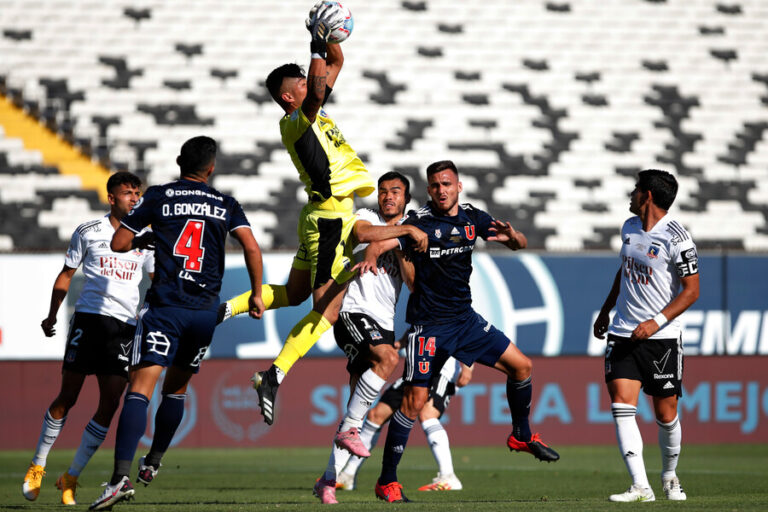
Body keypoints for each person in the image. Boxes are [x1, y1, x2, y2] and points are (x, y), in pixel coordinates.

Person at [224, 4, 426, 427]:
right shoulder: (298, 121)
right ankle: (273, 375)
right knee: (326, 307)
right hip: (331, 219)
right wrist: (316, 39)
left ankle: (224, 310)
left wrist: (326, 39)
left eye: (305, 75)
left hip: (322, 214)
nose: (309, 80)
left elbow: (336, 61)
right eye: (299, 80)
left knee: (296, 293)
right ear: (288, 97)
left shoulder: (311, 112)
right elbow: (318, 87)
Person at [360, 160, 560, 503]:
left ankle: (521, 435)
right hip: (428, 328)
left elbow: (519, 243)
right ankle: (387, 481)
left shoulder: (472, 217)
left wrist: (513, 237)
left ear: (458, 186)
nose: (441, 190)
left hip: (465, 321)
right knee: (413, 402)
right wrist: (375, 252)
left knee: (522, 367)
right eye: (435, 185)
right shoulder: (417, 221)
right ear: (429, 189)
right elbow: (375, 239)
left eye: (447, 184)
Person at [88, 136, 266, 510]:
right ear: (212, 168)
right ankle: (154, 460)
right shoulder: (226, 203)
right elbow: (251, 247)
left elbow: (119, 244)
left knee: (140, 389)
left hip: (167, 307)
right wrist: (255, 294)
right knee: (177, 390)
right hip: (204, 314)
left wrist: (149, 238)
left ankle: (119, 479)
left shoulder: (158, 197)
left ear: (178, 162)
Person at [22, 172, 154, 506]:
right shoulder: (88, 231)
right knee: (68, 396)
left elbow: (157, 279)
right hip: (90, 320)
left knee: (109, 404)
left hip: (124, 326)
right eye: (127, 193)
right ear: (111, 198)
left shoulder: (148, 237)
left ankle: (71, 476)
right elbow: (66, 274)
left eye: (137, 193)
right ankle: (38, 464)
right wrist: (52, 315)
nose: (134, 198)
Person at [593, 169, 699, 503]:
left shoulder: (677, 238)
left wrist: (656, 322)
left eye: (636, 189)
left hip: (662, 339)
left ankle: (669, 477)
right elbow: (623, 271)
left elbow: (691, 291)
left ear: (647, 195)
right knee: (621, 406)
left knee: (666, 416)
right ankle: (641, 486)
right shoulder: (628, 228)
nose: (631, 193)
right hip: (623, 331)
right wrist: (606, 309)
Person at [311, 171, 416, 504]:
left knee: (355, 409)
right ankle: (347, 433)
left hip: (383, 322)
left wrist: (401, 243)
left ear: (406, 199)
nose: (387, 197)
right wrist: (405, 232)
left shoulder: (409, 232)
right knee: (389, 359)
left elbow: (413, 282)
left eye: (395, 192)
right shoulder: (367, 217)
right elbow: (367, 237)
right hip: (353, 313)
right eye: (383, 191)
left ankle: (327, 480)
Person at [337, 357, 473, 493]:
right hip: (415, 371)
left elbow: (469, 336)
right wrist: (400, 343)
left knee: (427, 414)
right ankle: (348, 475)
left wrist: (468, 366)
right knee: (376, 415)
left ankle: (448, 476)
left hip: (441, 370)